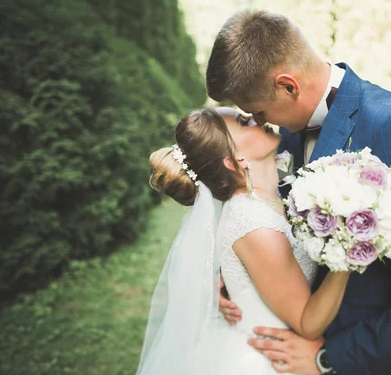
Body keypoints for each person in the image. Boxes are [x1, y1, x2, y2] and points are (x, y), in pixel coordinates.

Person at [207, 10, 391, 375]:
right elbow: (265, 222)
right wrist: (235, 278)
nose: (260, 124)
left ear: (288, 86)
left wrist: (329, 359)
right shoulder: (281, 137)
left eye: (258, 111)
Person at [135, 107, 351, 375]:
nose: (258, 119)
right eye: (244, 121)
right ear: (233, 159)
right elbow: (308, 322)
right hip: (270, 362)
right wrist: (350, 247)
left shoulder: (265, 196)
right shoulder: (255, 222)